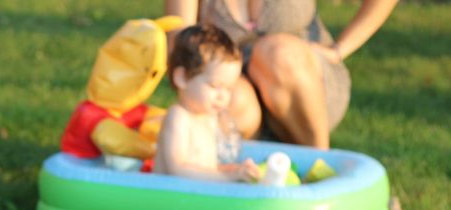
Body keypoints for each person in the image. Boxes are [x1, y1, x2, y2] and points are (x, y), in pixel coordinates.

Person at [164, 0, 398, 149]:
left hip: (304, 81)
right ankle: (245, 181)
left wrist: (339, 50)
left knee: (278, 53)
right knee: (231, 98)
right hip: (234, 90)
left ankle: (321, 166)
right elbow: (180, 54)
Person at [154, 24, 261, 182]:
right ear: (182, 78)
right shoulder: (178, 117)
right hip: (166, 195)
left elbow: (206, 169)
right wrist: (227, 177)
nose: (223, 96)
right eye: (215, 86)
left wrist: (235, 170)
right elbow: (177, 170)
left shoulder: (209, 118)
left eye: (229, 89)